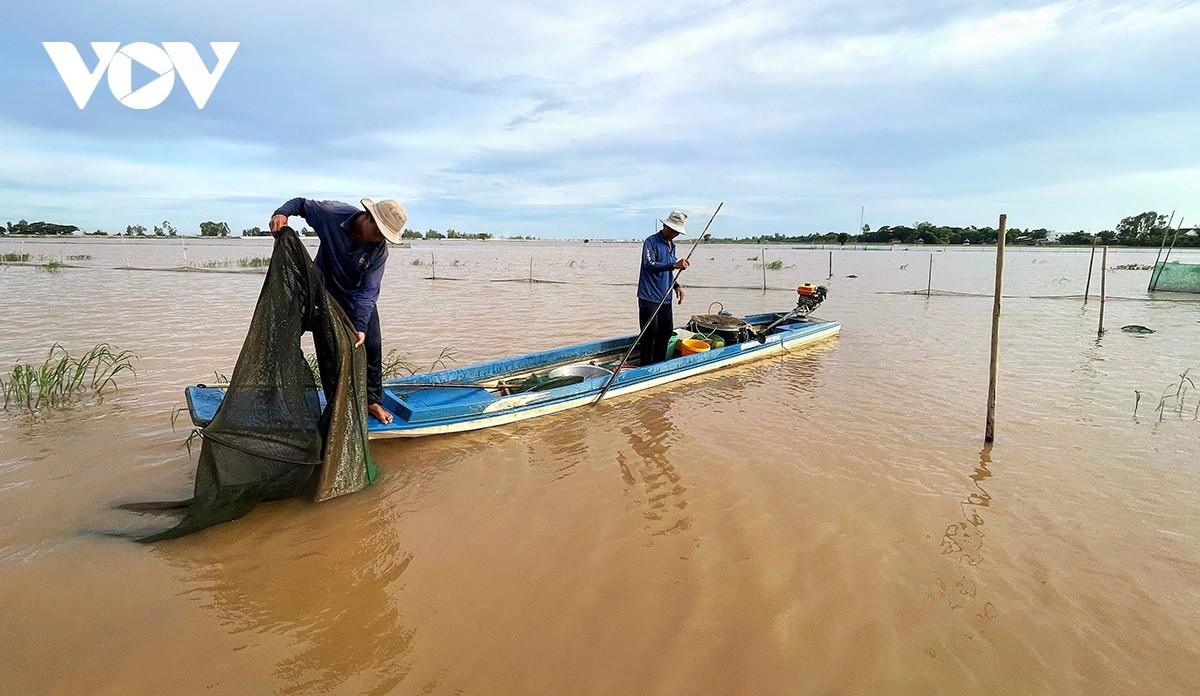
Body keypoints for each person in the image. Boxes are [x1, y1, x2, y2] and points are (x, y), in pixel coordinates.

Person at [269, 197, 407, 424]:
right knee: (327, 349)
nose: (381, 239)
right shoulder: (331, 214)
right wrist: (282, 213)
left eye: (386, 236)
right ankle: (335, 404)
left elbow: (368, 291)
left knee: (372, 344)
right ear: (368, 218)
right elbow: (301, 204)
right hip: (323, 293)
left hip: (356, 298)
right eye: (380, 232)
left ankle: (372, 401)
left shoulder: (379, 250)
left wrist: (360, 326)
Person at [637, 211, 689, 365]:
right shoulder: (651, 242)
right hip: (649, 297)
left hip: (665, 297)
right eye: (672, 230)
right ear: (665, 225)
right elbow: (649, 265)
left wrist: (677, 286)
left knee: (666, 333)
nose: (674, 234)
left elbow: (668, 273)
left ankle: (658, 365)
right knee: (649, 333)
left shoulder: (672, 246)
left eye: (677, 232)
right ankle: (645, 366)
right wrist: (674, 265)